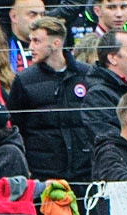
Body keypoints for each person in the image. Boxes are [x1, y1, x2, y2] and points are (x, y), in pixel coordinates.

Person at [6, 16, 93, 187]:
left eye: (37, 41)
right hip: (44, 176)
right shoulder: (24, 80)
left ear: (56, 43)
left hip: (84, 173)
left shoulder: (87, 75)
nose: (31, 47)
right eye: (30, 41)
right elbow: (16, 127)